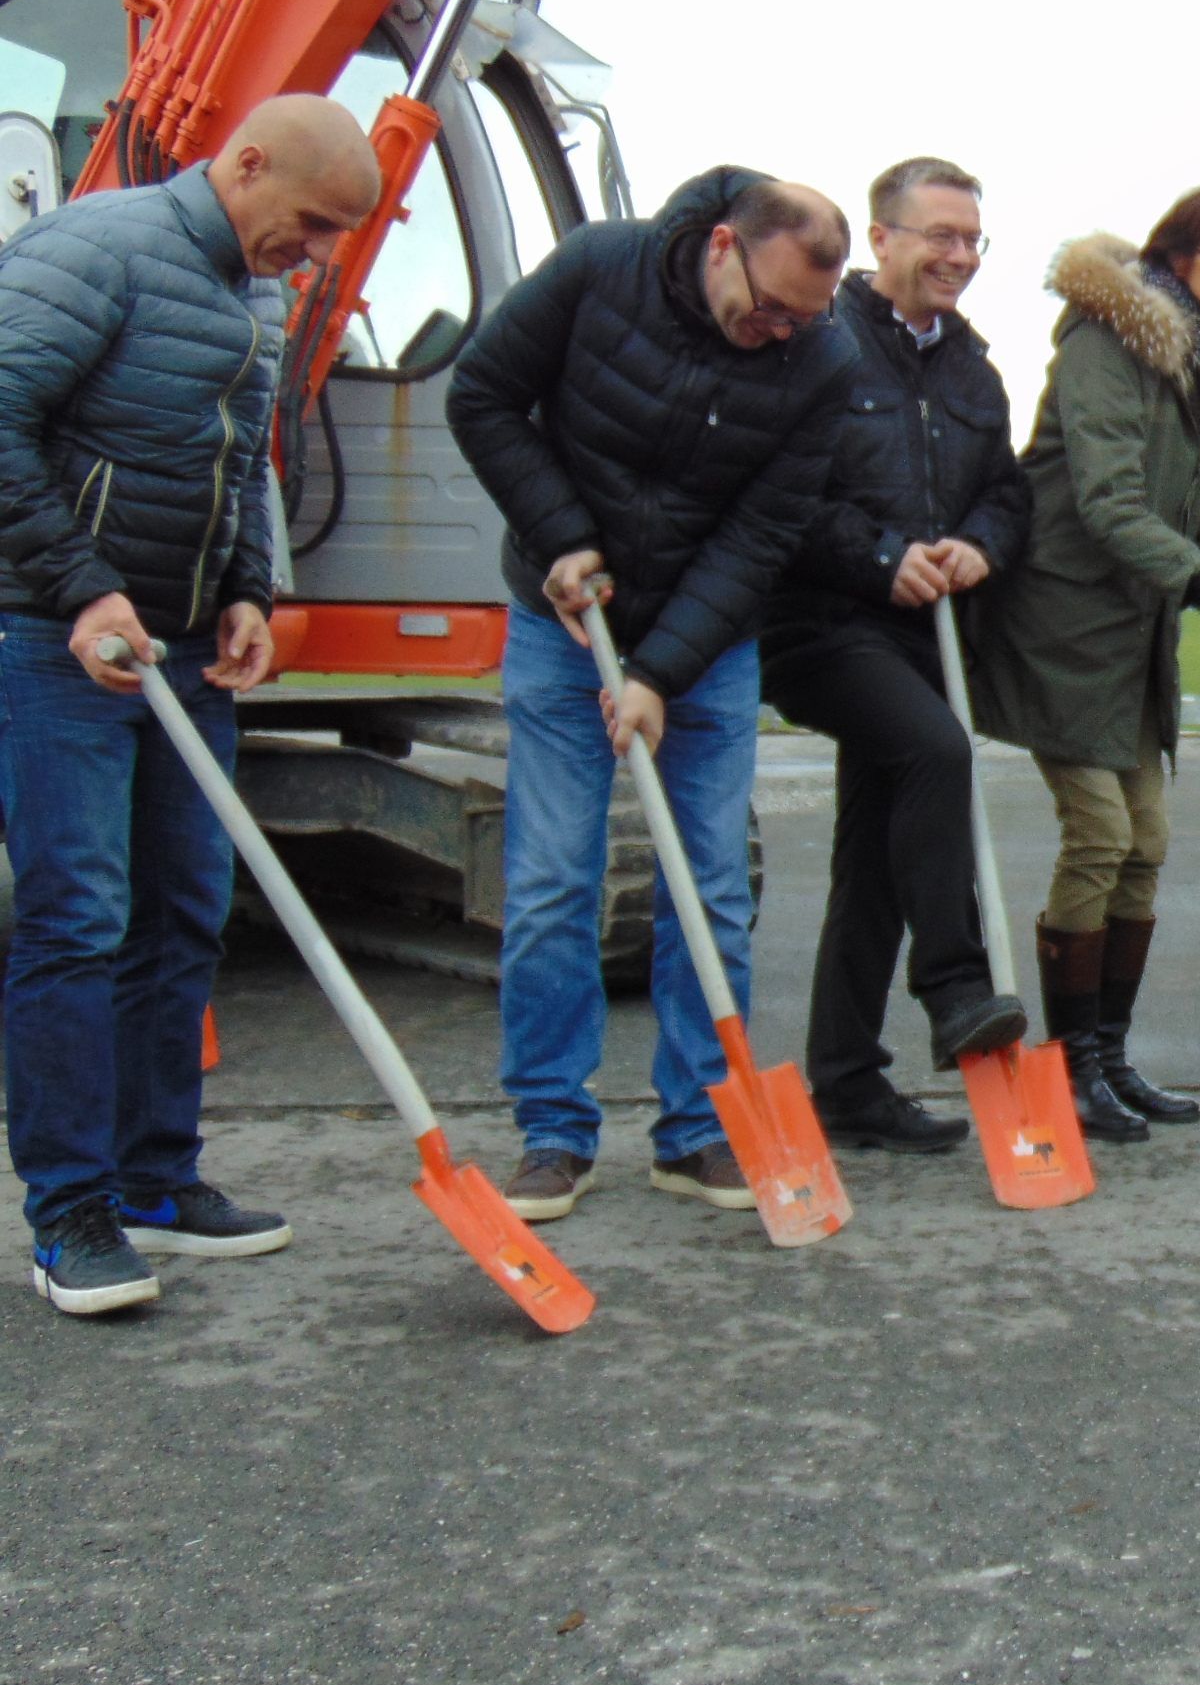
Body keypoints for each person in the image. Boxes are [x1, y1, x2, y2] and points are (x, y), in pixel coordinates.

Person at [0, 95, 380, 1314]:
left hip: (181, 649)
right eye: (310, 224)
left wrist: (249, 589)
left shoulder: (256, 293)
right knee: (76, 917)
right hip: (50, 641)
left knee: (182, 914)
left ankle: (155, 1179)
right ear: (247, 164)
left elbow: (244, 460)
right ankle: (69, 1213)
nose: (313, 255)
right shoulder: (95, 249)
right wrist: (81, 587)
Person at [447, 168, 856, 1220]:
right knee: (552, 880)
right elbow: (481, 396)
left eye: (802, 319)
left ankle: (700, 1129)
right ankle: (552, 1130)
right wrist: (560, 536)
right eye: (768, 308)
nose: (779, 334)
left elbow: (766, 530)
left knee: (709, 887)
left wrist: (658, 672)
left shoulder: (823, 354)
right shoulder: (598, 266)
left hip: (708, 642)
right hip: (561, 620)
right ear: (722, 245)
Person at [972, 186, 1200, 1142]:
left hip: (1138, 629)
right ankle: (1072, 1068)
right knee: (1102, 834)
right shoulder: (1105, 340)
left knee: (1146, 841)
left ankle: (1110, 1057)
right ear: (1178, 255)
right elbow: (1109, 502)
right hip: (1064, 622)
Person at [761, 157, 1028, 1154]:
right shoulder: (820, 344)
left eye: (972, 239)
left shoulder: (974, 371)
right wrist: (881, 557)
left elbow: (1006, 493)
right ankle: (955, 986)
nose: (959, 256)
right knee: (937, 752)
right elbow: (781, 493)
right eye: (939, 235)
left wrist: (981, 545)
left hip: (924, 636)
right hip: (821, 625)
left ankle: (846, 1084)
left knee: (876, 863)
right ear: (881, 239)